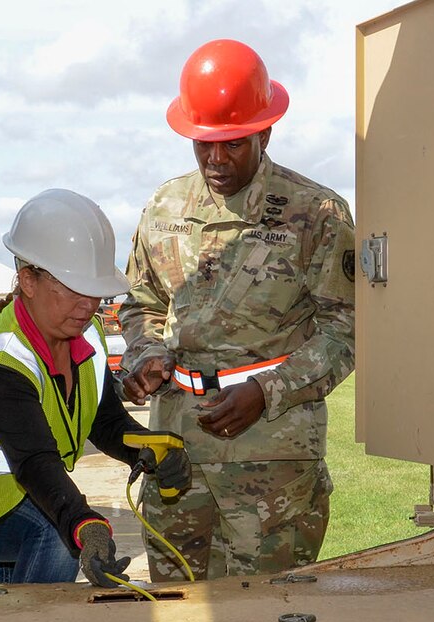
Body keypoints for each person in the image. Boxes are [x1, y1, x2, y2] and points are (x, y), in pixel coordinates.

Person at [119, 39, 356, 581]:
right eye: (204, 145)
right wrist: (147, 356)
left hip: (270, 453)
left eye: (233, 144)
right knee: (176, 612)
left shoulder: (315, 213)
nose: (216, 160)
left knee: (269, 614)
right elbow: (142, 303)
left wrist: (266, 392)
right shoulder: (165, 206)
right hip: (178, 446)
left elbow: (346, 330)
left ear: (265, 133)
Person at [0, 189, 191, 586]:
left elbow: (105, 422)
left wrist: (149, 448)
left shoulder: (85, 334)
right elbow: (36, 463)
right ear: (28, 281)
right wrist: (84, 524)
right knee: (55, 535)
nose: (89, 304)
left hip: (11, 489)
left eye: (94, 290)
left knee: (12, 588)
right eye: (73, 288)